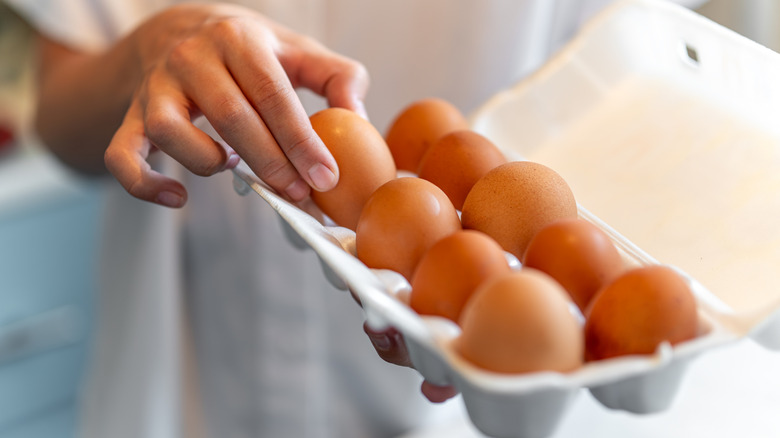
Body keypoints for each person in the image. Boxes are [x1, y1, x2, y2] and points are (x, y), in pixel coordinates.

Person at [3, 1, 706, 437]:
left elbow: (638, 89)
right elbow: (58, 119)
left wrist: (496, 297)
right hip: (181, 394)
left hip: (465, 411)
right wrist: (144, 49)